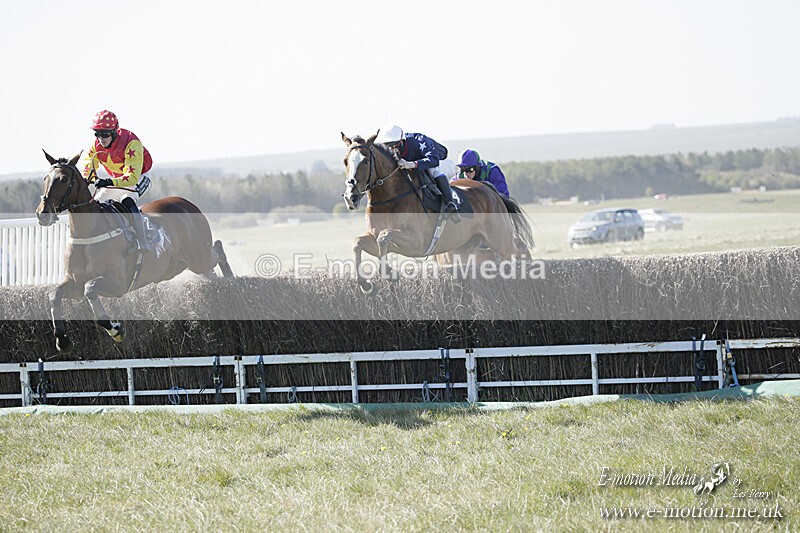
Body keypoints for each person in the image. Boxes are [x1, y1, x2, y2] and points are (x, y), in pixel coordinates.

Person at [81, 110, 153, 252]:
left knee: (127, 201)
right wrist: (87, 179)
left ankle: (143, 243)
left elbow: (131, 177)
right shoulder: (96, 145)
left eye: (105, 134)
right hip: (116, 180)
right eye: (97, 134)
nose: (101, 139)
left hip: (139, 176)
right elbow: (89, 164)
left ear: (114, 132)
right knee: (96, 204)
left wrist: (108, 182)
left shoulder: (132, 142)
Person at [375, 125, 460, 223]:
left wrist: (411, 164)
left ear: (401, 141)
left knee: (434, 170)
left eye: (394, 145)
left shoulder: (420, 140)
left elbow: (434, 160)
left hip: (442, 162)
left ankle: (450, 204)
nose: (392, 149)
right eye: (388, 146)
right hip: (421, 164)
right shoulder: (394, 147)